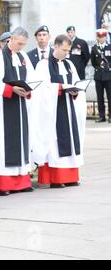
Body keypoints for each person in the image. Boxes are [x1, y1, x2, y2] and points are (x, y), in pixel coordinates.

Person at [32, 35, 87, 188]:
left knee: (70, 138)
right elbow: (41, 88)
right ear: (55, 46)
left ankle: (71, 177)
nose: (66, 53)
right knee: (55, 141)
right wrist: (60, 88)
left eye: (68, 50)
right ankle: (56, 179)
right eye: (64, 50)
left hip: (69, 108)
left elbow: (75, 82)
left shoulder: (69, 64)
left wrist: (76, 91)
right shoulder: (43, 65)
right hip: (53, 110)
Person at [0, 27, 36, 196]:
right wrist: (11, 89)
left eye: (24, 44)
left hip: (21, 104)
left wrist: (28, 90)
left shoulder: (23, 56)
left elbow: (31, 78)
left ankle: (22, 181)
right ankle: (4, 184)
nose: (21, 47)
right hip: (4, 105)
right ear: (11, 39)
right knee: (4, 141)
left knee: (22, 140)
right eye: (19, 43)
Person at [90, 29, 111, 123]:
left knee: (110, 96)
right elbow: (93, 62)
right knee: (100, 97)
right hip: (98, 76)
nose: (101, 39)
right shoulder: (94, 48)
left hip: (109, 75)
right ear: (97, 37)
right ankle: (102, 116)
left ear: (106, 37)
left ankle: (110, 116)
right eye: (99, 37)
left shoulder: (109, 46)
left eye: (103, 37)